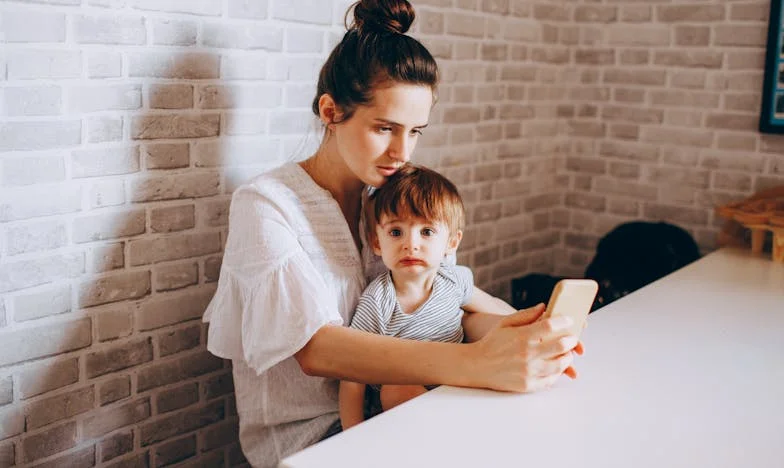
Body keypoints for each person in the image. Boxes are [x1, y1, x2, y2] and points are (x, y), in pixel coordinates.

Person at [202, 0, 582, 466]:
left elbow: (449, 301)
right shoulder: (265, 204)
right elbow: (317, 349)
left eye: (416, 131)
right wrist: (479, 363)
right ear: (330, 110)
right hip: (319, 438)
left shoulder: (391, 202)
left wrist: (516, 333)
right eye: (385, 128)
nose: (402, 151)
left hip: (410, 408)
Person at [339, 164, 521, 429]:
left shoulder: (452, 279)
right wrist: (351, 433)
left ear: (451, 243)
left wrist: (532, 321)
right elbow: (351, 376)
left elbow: (492, 307)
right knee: (395, 388)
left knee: (494, 342)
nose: (410, 244)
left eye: (426, 232)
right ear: (377, 242)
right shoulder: (378, 300)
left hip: (454, 382)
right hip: (399, 404)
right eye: (396, 232)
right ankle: (449, 432)